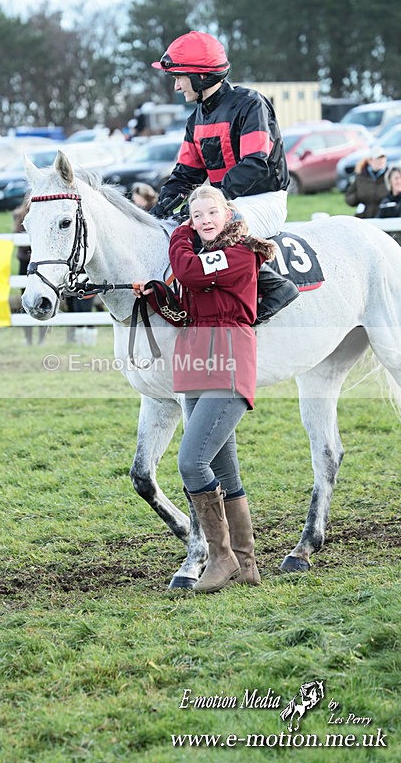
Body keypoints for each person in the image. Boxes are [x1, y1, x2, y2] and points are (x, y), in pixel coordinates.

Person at [134, 185, 276, 593]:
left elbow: (190, 272)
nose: (204, 221)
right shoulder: (203, 255)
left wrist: (177, 235)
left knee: (192, 462)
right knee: (223, 467)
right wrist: (157, 295)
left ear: (226, 213)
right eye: (196, 217)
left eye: (211, 213)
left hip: (229, 359)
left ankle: (221, 557)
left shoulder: (240, 251)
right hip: (195, 361)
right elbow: (185, 312)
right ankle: (247, 564)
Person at [150, 30, 298, 321]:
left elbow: (257, 163)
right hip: (225, 201)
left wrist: (213, 199)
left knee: (214, 222)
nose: (177, 87)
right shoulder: (197, 118)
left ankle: (277, 287)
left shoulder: (250, 103)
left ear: (201, 76)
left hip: (264, 198)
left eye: (179, 77)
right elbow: (185, 175)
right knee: (177, 226)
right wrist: (156, 211)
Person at [13, 202, 47, 346]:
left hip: (30, 263)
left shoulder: (24, 215)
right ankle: (34, 339)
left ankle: (35, 339)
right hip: (32, 263)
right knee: (34, 301)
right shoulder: (23, 216)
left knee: (37, 301)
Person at [345, 145, 390, 219]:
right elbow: (349, 199)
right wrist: (358, 196)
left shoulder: (391, 175)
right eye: (378, 158)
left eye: (383, 158)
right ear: (370, 160)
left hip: (385, 217)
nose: (381, 160)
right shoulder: (360, 177)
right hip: (365, 217)